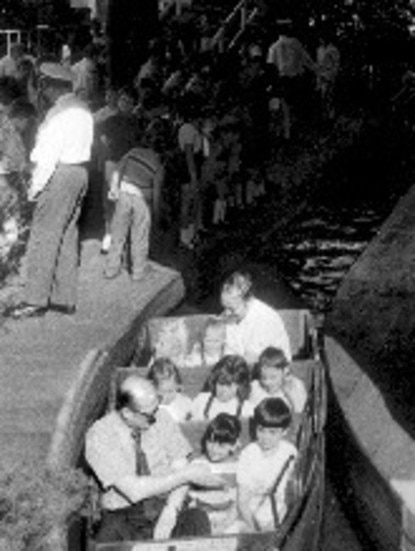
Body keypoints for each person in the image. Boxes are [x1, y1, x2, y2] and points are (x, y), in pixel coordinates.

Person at [85, 375, 223, 542]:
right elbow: (134, 490)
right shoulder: (100, 435)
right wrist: (187, 475)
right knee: (108, 538)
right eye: (149, 415)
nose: (156, 417)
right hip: (124, 515)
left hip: (166, 503)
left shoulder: (162, 418)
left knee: (196, 519)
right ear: (127, 412)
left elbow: (181, 464)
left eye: (157, 406)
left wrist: (171, 509)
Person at [9, 63, 94, 319]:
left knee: (43, 235)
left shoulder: (58, 114)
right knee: (67, 235)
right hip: (80, 173)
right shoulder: (84, 110)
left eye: (44, 86)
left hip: (59, 173)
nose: (42, 92)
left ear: (53, 87)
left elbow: (47, 156)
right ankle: (63, 298)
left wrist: (34, 189)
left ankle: (34, 299)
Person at [103, 138, 164, 281]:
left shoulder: (133, 152)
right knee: (140, 236)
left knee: (118, 233)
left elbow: (118, 170)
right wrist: (156, 211)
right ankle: (138, 272)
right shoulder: (158, 164)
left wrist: (114, 189)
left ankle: (111, 269)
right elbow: (157, 192)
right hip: (142, 201)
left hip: (124, 193)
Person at [236, 397, 297, 531]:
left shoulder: (290, 453)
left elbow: (293, 495)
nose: (265, 437)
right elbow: (243, 502)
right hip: (250, 517)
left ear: (284, 431)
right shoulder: (249, 454)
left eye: (272, 432)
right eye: (261, 430)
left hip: (280, 515)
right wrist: (255, 531)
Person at [182, 413, 241, 535]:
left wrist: (223, 525)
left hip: (228, 519)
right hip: (201, 518)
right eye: (211, 441)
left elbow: (238, 503)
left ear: (234, 446)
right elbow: (189, 499)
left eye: (221, 445)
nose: (214, 449)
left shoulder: (238, 467)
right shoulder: (197, 464)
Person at [220, 271, 292, 365]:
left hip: (272, 370)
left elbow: (255, 358)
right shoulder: (230, 317)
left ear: (248, 301)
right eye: (225, 307)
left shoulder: (264, 318)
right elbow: (229, 350)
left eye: (231, 309)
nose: (227, 313)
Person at [191, 355, 254, 421]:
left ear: (240, 385)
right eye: (221, 384)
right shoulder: (201, 401)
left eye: (229, 386)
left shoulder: (247, 410)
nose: (224, 390)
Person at [250, 347, 307, 414]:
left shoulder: (294, 386)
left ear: (285, 371)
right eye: (263, 378)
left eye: (273, 377)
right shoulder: (255, 387)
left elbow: (299, 411)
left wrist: (289, 393)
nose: (267, 383)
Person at [147, 358, 193, 423]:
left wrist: (189, 416)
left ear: (177, 387)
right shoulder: (151, 409)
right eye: (162, 392)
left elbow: (190, 414)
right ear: (152, 389)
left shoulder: (181, 401)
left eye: (170, 391)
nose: (167, 397)